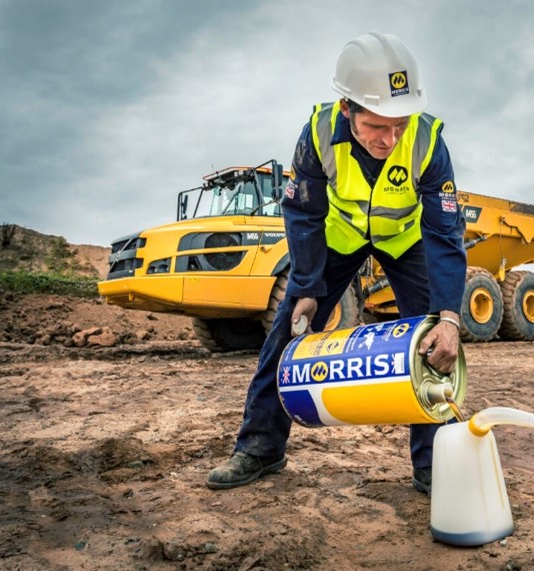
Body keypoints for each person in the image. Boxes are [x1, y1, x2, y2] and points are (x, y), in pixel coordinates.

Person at [207, 32, 467, 494]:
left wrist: (448, 317)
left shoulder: (428, 141)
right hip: (340, 238)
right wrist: (307, 286)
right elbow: (304, 212)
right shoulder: (319, 134)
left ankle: (435, 466)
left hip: (406, 240)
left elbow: (445, 234)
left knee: (433, 341)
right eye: (377, 126)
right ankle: (261, 448)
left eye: (400, 124)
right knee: (285, 334)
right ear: (348, 110)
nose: (390, 139)